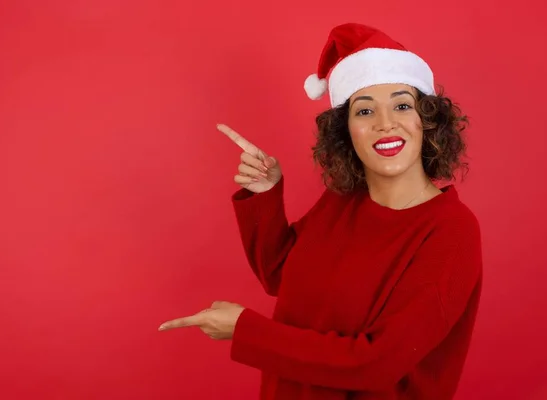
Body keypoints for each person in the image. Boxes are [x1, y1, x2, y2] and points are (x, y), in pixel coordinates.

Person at [159, 22, 483, 400]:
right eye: (364, 111)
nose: (384, 123)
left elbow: (375, 363)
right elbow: (281, 275)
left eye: (401, 105)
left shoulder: (451, 231)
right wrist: (265, 193)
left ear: (427, 121)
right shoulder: (341, 203)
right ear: (345, 131)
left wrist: (246, 331)